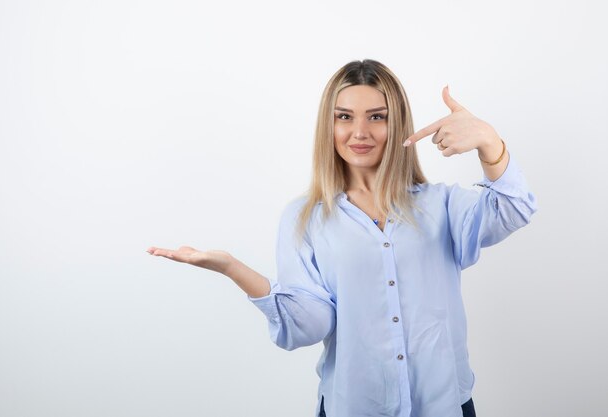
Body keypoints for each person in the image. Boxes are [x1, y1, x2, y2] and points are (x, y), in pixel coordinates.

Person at [146, 59, 538, 417]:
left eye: (377, 117)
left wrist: (489, 141)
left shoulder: (441, 206)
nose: (359, 132)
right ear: (328, 125)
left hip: (444, 406)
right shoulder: (305, 219)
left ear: (397, 122)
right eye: (345, 117)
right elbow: (309, 325)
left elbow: (514, 207)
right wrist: (232, 268)